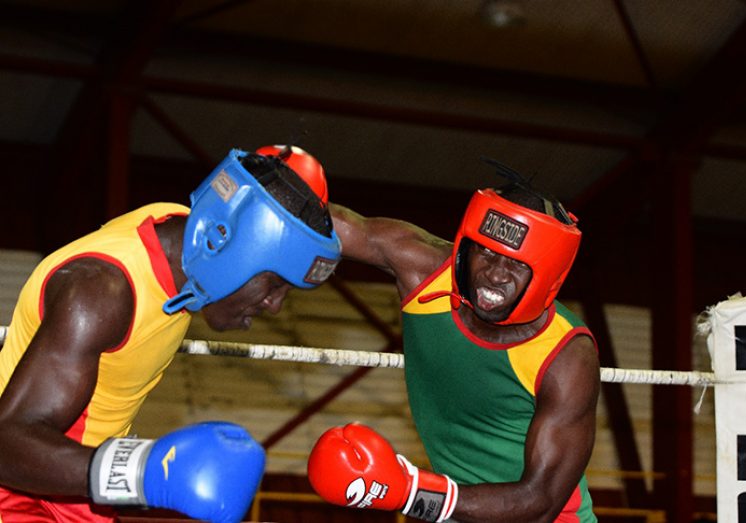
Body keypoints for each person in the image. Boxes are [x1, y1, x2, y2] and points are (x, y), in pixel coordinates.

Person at [0, 146, 341, 523]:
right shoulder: (100, 293)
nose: (274, 305)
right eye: (274, 284)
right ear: (234, 250)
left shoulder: (182, 229)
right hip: (20, 485)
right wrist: (143, 471)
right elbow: (7, 441)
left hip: (72, 488)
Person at [308, 159, 600, 522]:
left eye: (515, 264)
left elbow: (539, 503)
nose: (493, 274)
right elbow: (340, 227)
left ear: (547, 275)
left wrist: (411, 492)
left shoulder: (567, 354)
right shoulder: (425, 272)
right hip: (462, 513)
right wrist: (263, 188)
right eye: (486, 251)